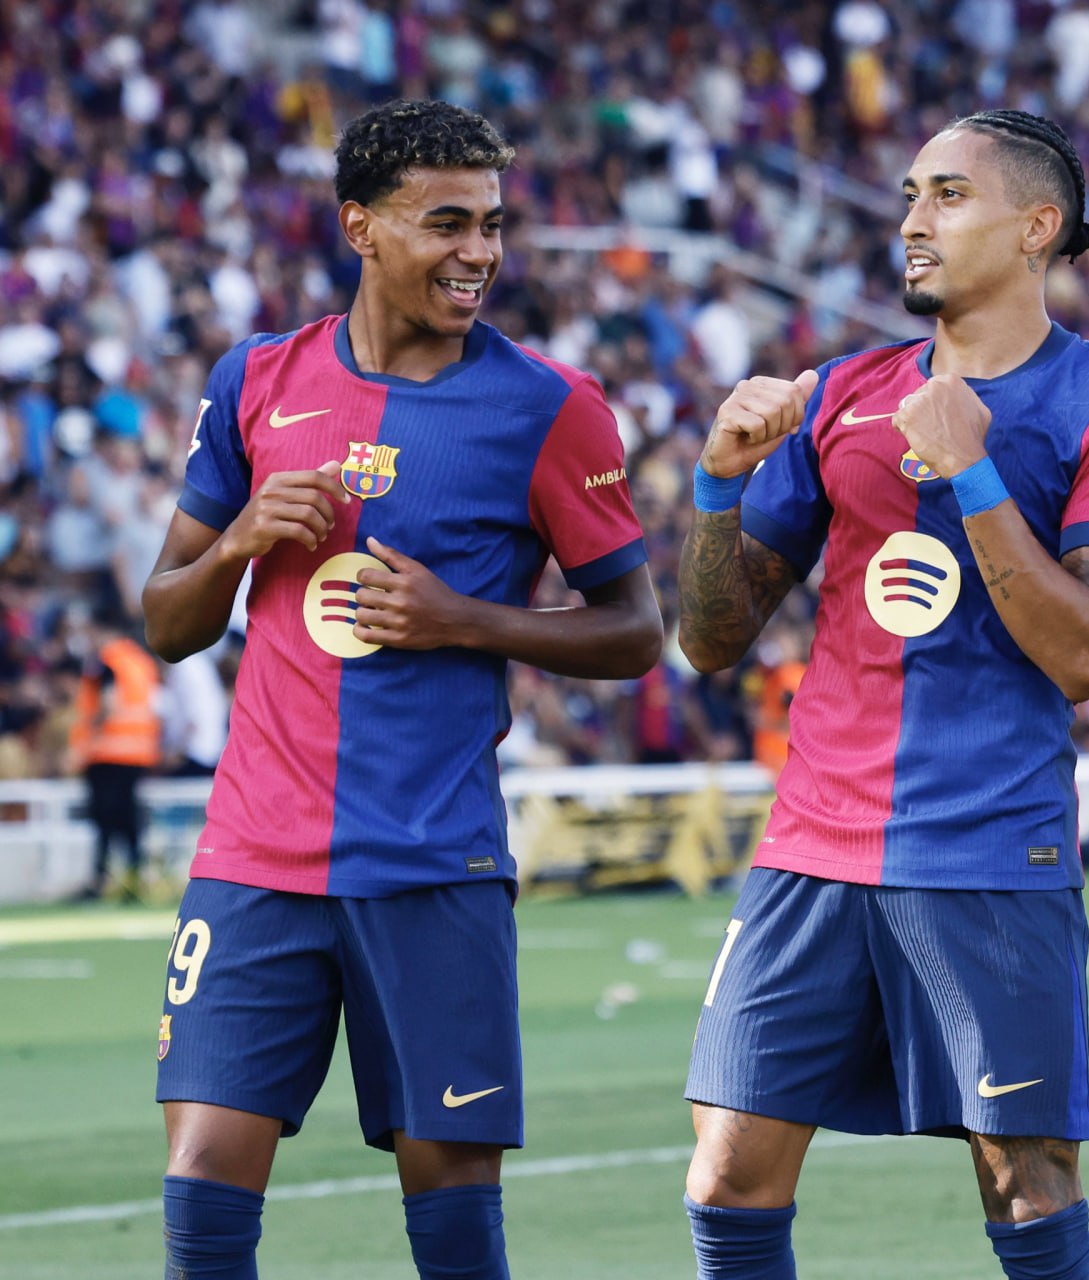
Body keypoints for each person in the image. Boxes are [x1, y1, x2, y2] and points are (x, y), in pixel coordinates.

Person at [141, 98, 663, 1280]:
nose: (479, 252)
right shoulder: (255, 379)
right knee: (202, 1191)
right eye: (446, 223)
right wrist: (235, 545)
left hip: (433, 863)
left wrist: (462, 619)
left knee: (453, 1215)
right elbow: (166, 620)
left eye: (491, 224)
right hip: (253, 858)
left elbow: (636, 630)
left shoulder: (548, 405)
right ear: (360, 226)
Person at [676, 109, 1089, 1280]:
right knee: (726, 1172)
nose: (911, 219)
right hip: (810, 846)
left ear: (1036, 227)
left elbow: (1087, 652)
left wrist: (970, 468)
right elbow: (709, 639)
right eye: (908, 194)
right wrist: (714, 483)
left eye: (946, 195)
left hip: (989, 849)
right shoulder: (840, 392)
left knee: (1025, 1178)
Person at [67, 606, 163, 902]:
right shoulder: (140, 661)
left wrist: (85, 739)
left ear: (99, 629)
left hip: (107, 752)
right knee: (128, 818)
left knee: (105, 821)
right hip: (138, 752)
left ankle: (101, 880)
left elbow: (109, 703)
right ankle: (134, 880)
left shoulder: (105, 661)